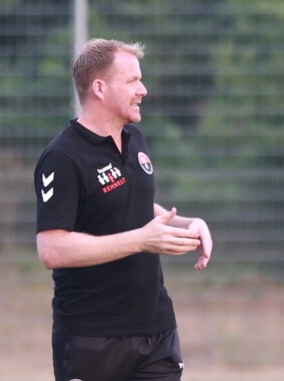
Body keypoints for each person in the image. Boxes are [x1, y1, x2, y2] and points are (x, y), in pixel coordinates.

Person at [34, 38, 213, 381]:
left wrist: (189, 224)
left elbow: (134, 204)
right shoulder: (62, 157)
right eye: (132, 81)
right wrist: (141, 240)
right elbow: (51, 249)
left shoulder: (136, 139)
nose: (142, 89)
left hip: (155, 331)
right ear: (99, 88)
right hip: (92, 337)